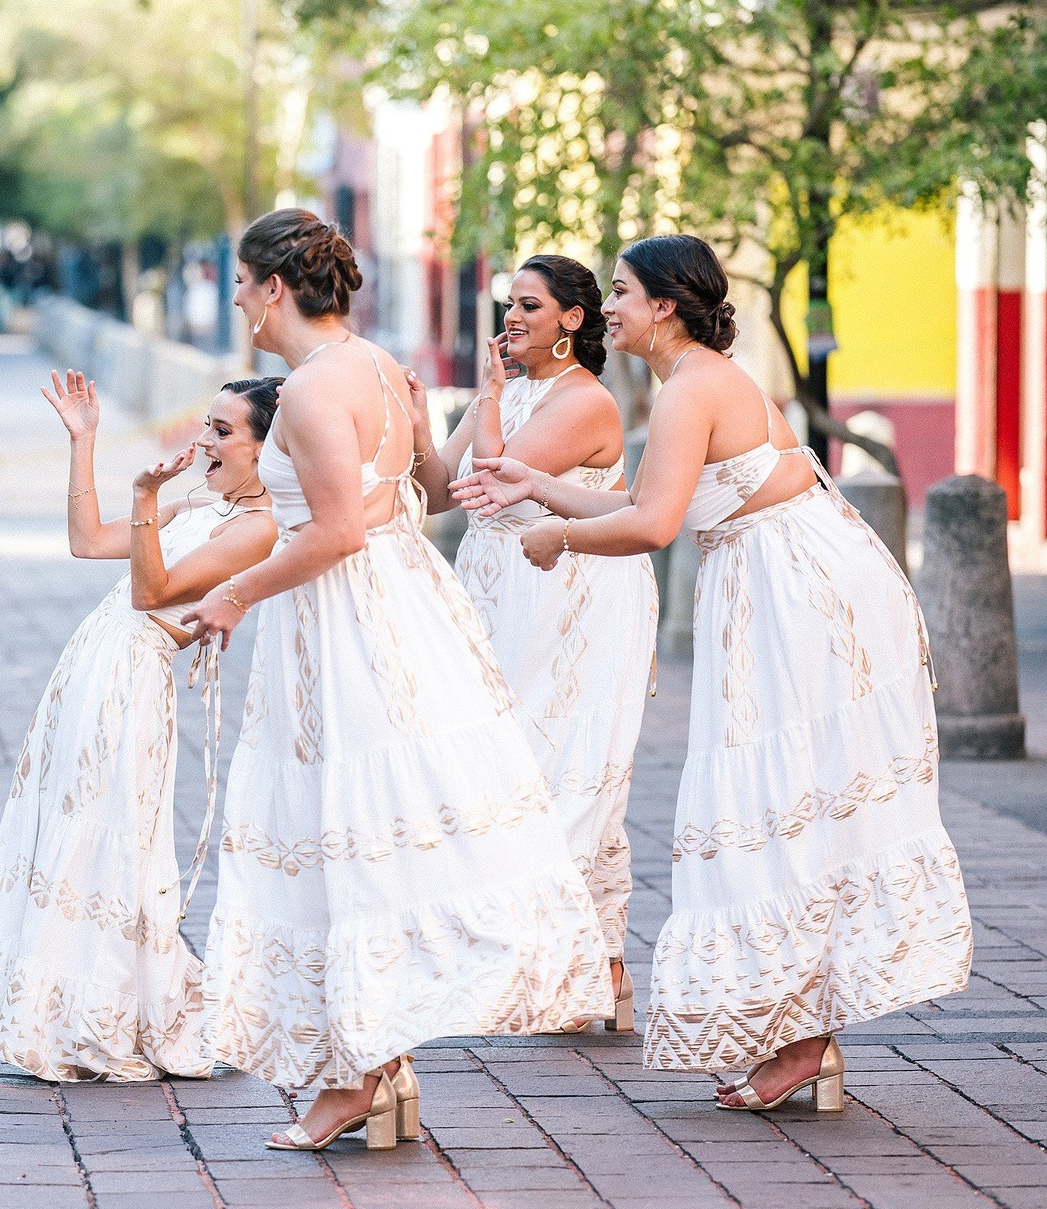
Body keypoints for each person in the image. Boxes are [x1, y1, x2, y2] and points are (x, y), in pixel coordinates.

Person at [452, 234, 971, 1112]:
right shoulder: (684, 385)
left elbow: (650, 527)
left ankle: (805, 1038)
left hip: (802, 596)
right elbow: (636, 496)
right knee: (773, 803)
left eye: (618, 292)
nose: (607, 307)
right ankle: (804, 1034)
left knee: (780, 800)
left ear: (663, 304)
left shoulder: (694, 386)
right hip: (767, 587)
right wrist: (532, 484)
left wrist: (557, 535)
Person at [181, 209, 609, 1152]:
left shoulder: (306, 391)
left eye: (246, 283)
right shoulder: (373, 364)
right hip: (389, 598)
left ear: (277, 289)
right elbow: (403, 491)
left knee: (342, 831)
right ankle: (377, 1068)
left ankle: (358, 1074)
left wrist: (234, 595)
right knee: (355, 831)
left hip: (345, 618)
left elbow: (331, 529)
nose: (241, 300)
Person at [0, 372, 280, 1082]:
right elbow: (88, 542)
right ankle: (57, 1007)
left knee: (113, 842)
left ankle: (105, 1012)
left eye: (223, 430)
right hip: (89, 662)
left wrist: (146, 497)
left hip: (132, 677)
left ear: (269, 448)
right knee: (65, 824)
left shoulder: (261, 528)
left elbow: (153, 592)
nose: (204, 440)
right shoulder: (207, 501)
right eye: (206, 424)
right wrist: (85, 442)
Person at [411, 254, 657, 1030]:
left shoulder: (586, 402)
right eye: (507, 305)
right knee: (511, 764)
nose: (510, 319)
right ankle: (606, 963)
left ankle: (568, 962)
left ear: (571, 321)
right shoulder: (508, 389)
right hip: (499, 591)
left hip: (571, 595)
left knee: (562, 769)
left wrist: (484, 397)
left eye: (528, 306)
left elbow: (493, 475)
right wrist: (407, 423)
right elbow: (434, 489)